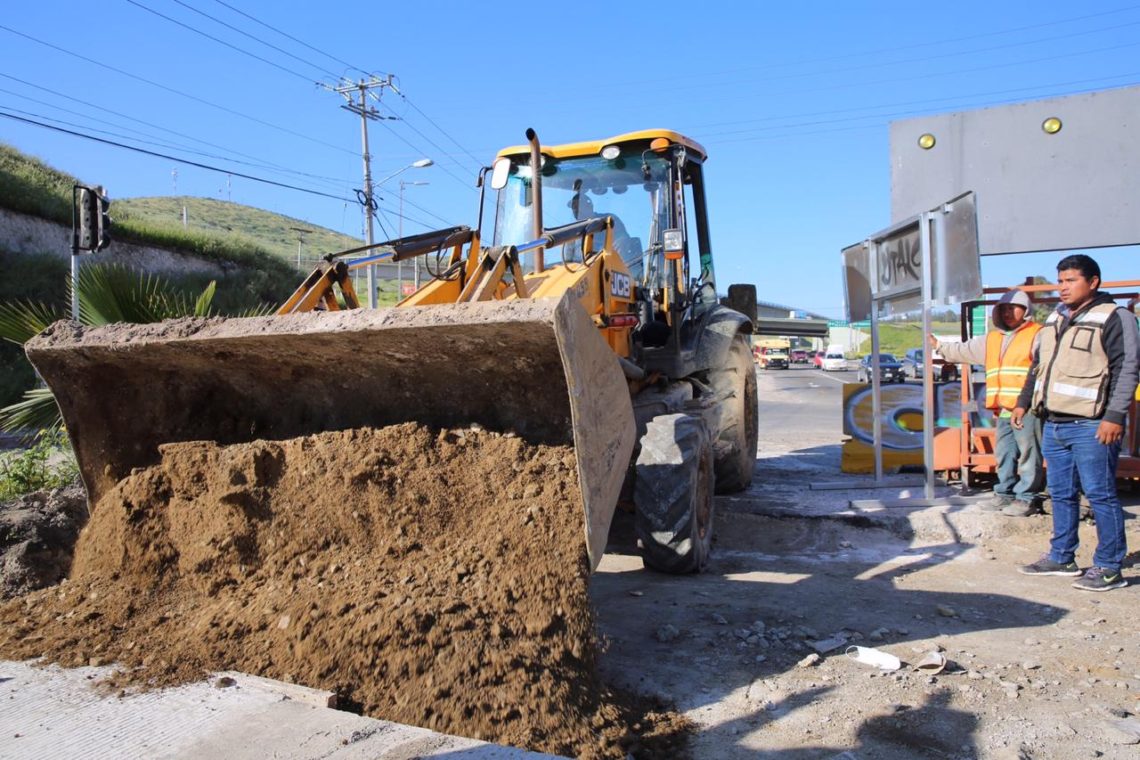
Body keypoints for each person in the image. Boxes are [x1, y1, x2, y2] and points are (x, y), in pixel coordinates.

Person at [1013, 254, 1139, 592]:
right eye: (1061, 281)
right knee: (1061, 493)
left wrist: (1114, 416)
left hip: (1093, 424)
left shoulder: (1115, 317)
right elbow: (1037, 366)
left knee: (1100, 495)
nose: (1063, 287)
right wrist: (1023, 403)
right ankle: (1061, 556)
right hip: (1055, 423)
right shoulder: (1056, 318)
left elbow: (1128, 368)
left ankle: (1110, 567)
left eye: (1071, 281)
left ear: (1093, 282)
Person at [929, 289, 1043, 516]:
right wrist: (938, 345)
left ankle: (1026, 498)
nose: (1009, 313)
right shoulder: (992, 339)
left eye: (1014, 308)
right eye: (1004, 309)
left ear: (1026, 310)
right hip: (1003, 409)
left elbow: (1041, 370)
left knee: (1029, 454)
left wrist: (1027, 403)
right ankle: (1004, 494)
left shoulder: (1038, 335)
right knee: (1004, 453)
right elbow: (963, 350)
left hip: (1027, 408)